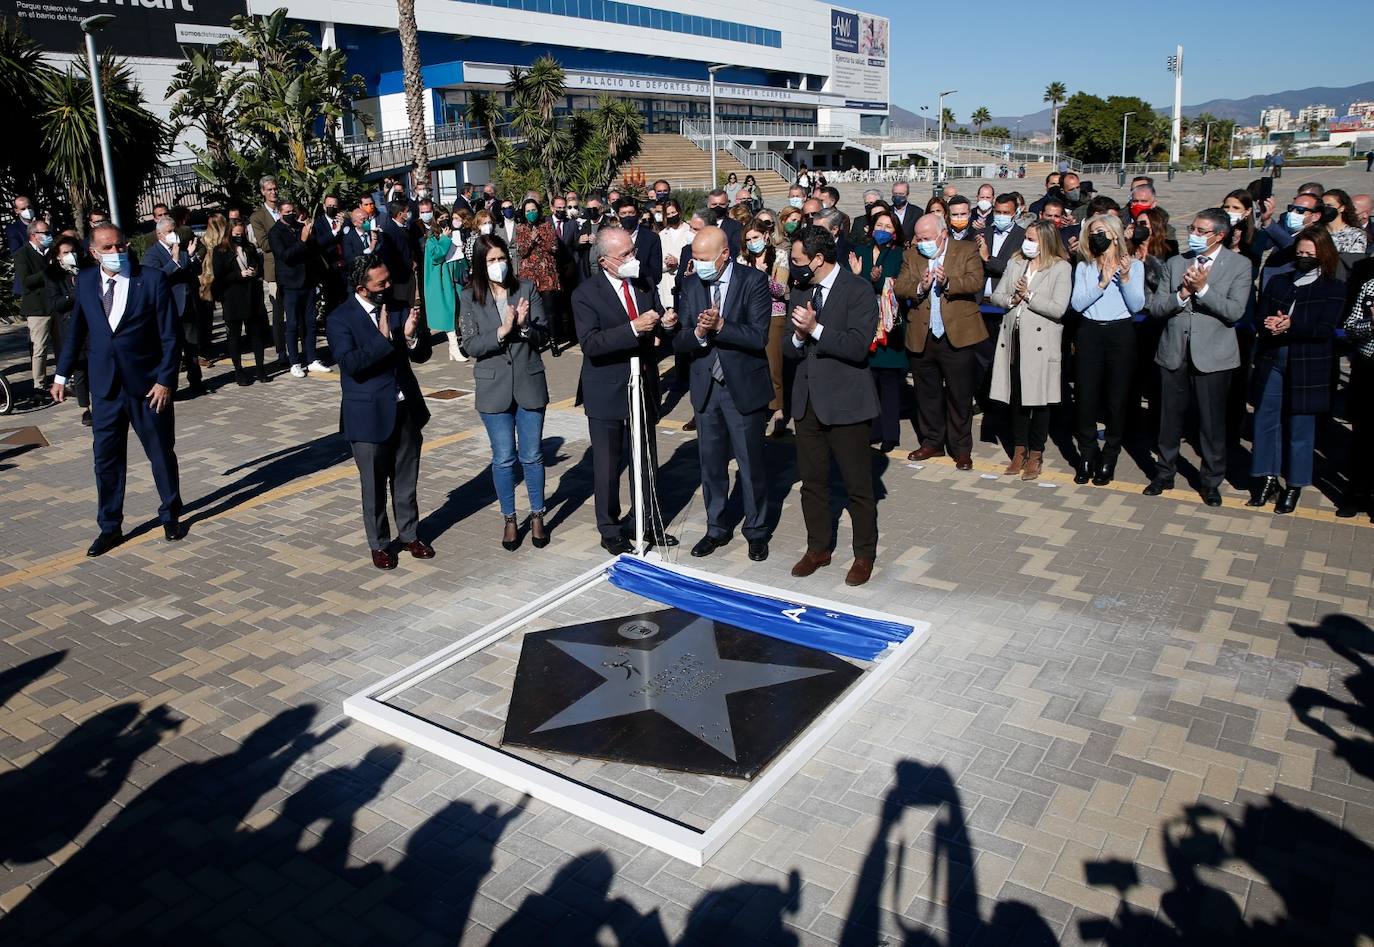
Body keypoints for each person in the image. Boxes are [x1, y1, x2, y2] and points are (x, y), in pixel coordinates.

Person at [52, 223, 183, 555]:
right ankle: (110, 526)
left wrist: (165, 379)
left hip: (148, 387)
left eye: (121, 246)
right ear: (94, 253)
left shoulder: (151, 279)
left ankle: (170, 514)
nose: (117, 253)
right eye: (108, 248)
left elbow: (171, 336)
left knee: (160, 453)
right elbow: (77, 332)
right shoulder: (85, 282)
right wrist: (61, 374)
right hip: (106, 388)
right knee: (106, 460)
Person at [783, 225, 881, 587]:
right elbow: (786, 350)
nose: (793, 266)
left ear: (818, 259)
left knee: (857, 486)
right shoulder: (801, 290)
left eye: (797, 260)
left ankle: (864, 554)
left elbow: (857, 347)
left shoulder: (857, 290)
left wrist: (816, 328)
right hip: (807, 403)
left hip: (847, 404)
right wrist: (797, 335)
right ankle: (818, 548)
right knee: (813, 483)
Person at [572, 227, 680, 554]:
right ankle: (610, 527)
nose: (633, 258)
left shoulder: (644, 283)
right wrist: (632, 329)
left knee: (644, 458)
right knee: (607, 464)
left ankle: (644, 520)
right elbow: (591, 343)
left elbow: (657, 321)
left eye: (633, 251)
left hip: (643, 383)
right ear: (605, 261)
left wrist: (667, 324)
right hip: (606, 387)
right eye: (625, 255)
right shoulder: (586, 294)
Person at [326, 256, 434, 570]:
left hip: (405, 408)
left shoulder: (398, 306)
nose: (388, 286)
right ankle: (379, 543)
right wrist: (384, 338)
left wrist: (412, 335)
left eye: (388, 279)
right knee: (373, 485)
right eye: (381, 283)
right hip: (368, 414)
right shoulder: (340, 319)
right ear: (362, 288)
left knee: (406, 479)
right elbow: (351, 364)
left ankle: (410, 533)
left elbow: (422, 354)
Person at [673, 227, 773, 561]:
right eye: (694, 258)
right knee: (711, 464)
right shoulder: (690, 284)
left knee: (751, 463)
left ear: (725, 254)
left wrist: (721, 327)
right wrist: (699, 333)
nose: (697, 265)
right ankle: (716, 528)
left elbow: (759, 336)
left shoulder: (752, 281)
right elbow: (680, 339)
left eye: (703, 259)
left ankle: (757, 530)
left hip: (741, 386)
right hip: (706, 387)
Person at [1145, 209, 1253, 505]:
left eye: (1201, 230)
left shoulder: (1239, 265)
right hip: (1173, 352)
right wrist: (1181, 294)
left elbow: (1234, 311)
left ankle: (1210, 480)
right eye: (1192, 228)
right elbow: (1156, 307)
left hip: (1213, 355)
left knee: (1211, 423)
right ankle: (1164, 473)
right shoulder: (1177, 262)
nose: (1194, 234)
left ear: (1220, 235)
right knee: (1169, 419)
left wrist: (1202, 289)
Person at [459, 234, 550, 550]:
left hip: (529, 382)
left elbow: (544, 334)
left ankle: (537, 514)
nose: (498, 265)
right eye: (491, 260)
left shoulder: (525, 288)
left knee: (532, 455)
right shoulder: (470, 297)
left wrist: (524, 327)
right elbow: (469, 343)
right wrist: (502, 331)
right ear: (480, 266)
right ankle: (510, 518)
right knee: (503, 458)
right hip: (493, 387)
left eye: (501, 258)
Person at [1246, 227, 1343, 514]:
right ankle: (1265, 477)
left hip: (1307, 363)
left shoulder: (1332, 287)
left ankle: (1295, 485)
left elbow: (1325, 329)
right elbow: (1262, 312)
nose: (1302, 258)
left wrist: (1292, 325)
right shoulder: (1280, 282)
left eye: (1309, 254)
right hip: (1273, 357)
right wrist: (1269, 324)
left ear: (1323, 255)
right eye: (1299, 253)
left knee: (1300, 427)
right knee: (1266, 419)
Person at [894, 212, 987, 470]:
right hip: (922, 335)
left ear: (943, 235)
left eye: (927, 238)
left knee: (959, 395)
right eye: (918, 238)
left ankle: (961, 448)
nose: (921, 242)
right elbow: (900, 286)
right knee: (927, 394)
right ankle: (932, 441)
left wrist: (949, 282)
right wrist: (920, 288)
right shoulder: (912, 255)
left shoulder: (966, 249)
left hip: (957, 334)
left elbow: (976, 280)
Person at [988, 221, 1073, 480]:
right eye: (1026, 237)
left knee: (1039, 400)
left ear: (1046, 241)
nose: (1028, 243)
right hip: (1014, 339)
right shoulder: (1016, 262)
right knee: (1017, 399)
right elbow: (997, 295)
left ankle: (1036, 452)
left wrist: (1029, 295)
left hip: (1041, 343)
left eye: (1033, 239)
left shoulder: (1060, 267)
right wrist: (1012, 299)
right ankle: (1019, 449)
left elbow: (1058, 308)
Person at [1070, 214, 1146, 487]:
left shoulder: (1134, 266)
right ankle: (1087, 454)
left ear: (1115, 234)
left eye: (1100, 231)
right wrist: (1101, 282)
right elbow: (1077, 304)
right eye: (1091, 233)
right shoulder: (1085, 267)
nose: (1095, 237)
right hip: (1090, 332)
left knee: (1117, 400)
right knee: (1086, 398)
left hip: (1120, 333)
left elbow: (1137, 305)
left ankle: (1110, 455)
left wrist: (1124, 278)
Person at [856, 210, 907, 452]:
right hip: (865, 322)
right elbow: (854, 282)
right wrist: (862, 275)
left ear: (895, 232)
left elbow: (895, 283)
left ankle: (890, 434)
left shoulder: (898, 255)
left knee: (889, 383)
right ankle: (872, 430)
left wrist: (878, 278)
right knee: (869, 381)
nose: (883, 230)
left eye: (888, 226)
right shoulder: (862, 252)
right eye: (879, 225)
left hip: (888, 324)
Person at [141, 216, 205, 396]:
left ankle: (196, 382)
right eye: (169, 232)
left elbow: (193, 271)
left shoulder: (181, 248)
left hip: (188, 305)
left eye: (174, 230)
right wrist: (174, 261)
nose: (173, 234)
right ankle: (170, 385)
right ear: (159, 234)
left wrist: (191, 257)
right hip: (169, 308)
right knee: (171, 349)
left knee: (191, 346)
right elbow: (155, 279)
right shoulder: (152, 254)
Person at [267, 199, 327, 378]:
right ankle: (294, 361)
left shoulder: (300, 227)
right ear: (279, 213)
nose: (290, 215)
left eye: (292, 211)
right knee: (292, 323)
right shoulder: (275, 232)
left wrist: (310, 233)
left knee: (309, 322)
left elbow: (314, 249)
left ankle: (312, 358)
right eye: (286, 212)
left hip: (307, 282)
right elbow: (284, 256)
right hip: (290, 284)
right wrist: (301, 241)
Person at [741, 217, 790, 434]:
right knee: (751, 364)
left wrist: (760, 275)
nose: (753, 243)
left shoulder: (779, 256)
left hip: (774, 315)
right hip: (748, 316)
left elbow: (779, 289)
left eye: (756, 238)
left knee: (773, 364)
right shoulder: (742, 260)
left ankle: (778, 410)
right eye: (749, 239)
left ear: (766, 236)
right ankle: (757, 408)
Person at [210, 215, 270, 385]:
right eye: (236, 234)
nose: (239, 237)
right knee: (234, 336)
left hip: (252, 296)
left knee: (256, 335)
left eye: (241, 234)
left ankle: (260, 368)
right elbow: (220, 275)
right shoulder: (220, 251)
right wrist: (238, 274)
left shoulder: (249, 248)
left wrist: (254, 271)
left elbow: (259, 266)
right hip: (233, 299)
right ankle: (239, 371)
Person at [44, 234, 90, 423]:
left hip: (91, 326)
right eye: (66, 253)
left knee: (96, 365)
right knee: (79, 369)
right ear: (58, 256)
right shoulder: (52, 274)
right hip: (71, 326)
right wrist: (74, 293)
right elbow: (56, 304)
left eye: (73, 251)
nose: (71, 255)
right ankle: (86, 408)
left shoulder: (86, 269)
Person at [13, 217, 59, 406]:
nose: (49, 236)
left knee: (62, 344)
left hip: (57, 304)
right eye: (45, 233)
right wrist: (49, 271)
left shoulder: (51, 251)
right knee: (39, 348)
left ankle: (64, 380)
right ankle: (39, 385)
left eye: (49, 232)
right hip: (38, 308)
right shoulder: (22, 254)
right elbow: (26, 281)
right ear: (34, 235)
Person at [1341, 267, 1374, 518]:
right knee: (1362, 436)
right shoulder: (1370, 286)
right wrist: (1371, 321)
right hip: (1368, 368)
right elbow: (1350, 327)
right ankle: (1355, 493)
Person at [512, 198, 563, 355]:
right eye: (528, 211)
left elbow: (554, 247)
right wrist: (531, 241)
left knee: (550, 309)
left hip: (546, 273)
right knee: (531, 310)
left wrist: (539, 239)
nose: (531, 213)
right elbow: (521, 252)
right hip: (529, 274)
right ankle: (535, 339)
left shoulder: (546, 225)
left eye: (533, 210)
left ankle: (553, 341)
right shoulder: (520, 228)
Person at [422, 206, 470, 362]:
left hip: (455, 276)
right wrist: (444, 238)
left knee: (458, 310)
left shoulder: (453, 233)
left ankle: (453, 348)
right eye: (440, 218)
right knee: (449, 311)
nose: (444, 221)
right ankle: (454, 348)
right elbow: (436, 256)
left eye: (446, 217)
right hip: (442, 280)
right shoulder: (432, 237)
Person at [249, 176, 285, 366]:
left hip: (292, 266)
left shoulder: (286, 208)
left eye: (275, 189)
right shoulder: (258, 216)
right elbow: (264, 244)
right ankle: (281, 351)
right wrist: (286, 235)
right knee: (278, 312)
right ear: (263, 191)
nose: (273, 192)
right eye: (269, 190)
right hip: (274, 269)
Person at [615, 198, 663, 295]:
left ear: (637, 214)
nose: (627, 216)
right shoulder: (612, 237)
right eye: (623, 214)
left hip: (643, 291)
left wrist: (635, 267)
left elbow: (656, 275)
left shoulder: (651, 238)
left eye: (631, 213)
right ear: (617, 216)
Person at [314, 195, 349, 317]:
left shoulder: (345, 221)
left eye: (334, 206)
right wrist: (334, 232)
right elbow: (318, 243)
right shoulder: (318, 223)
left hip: (345, 267)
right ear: (324, 207)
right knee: (331, 302)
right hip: (329, 268)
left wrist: (345, 225)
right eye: (329, 206)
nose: (332, 208)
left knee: (347, 299)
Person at [1322, 189, 1368, 255]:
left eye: (1329, 206)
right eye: (1323, 206)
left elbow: (1354, 260)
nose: (1325, 208)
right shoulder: (1316, 231)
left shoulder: (1356, 234)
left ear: (1342, 208)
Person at [706, 189, 744, 259]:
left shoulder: (735, 226)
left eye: (722, 204)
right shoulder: (702, 224)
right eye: (714, 204)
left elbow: (735, 250)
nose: (718, 207)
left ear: (727, 204)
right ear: (708, 205)